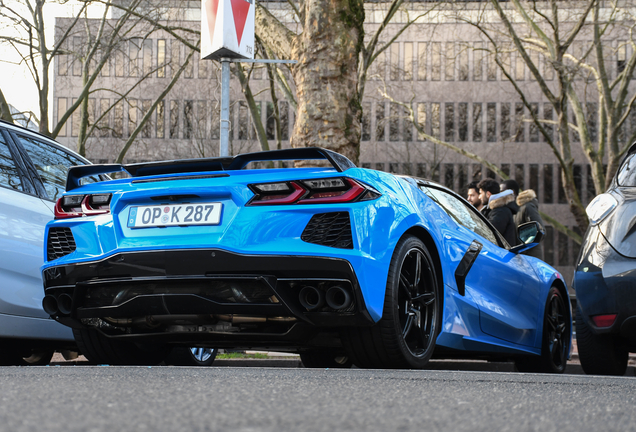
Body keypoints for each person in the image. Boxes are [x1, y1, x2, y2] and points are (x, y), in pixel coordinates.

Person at [500, 179, 544, 260]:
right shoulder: (512, 210)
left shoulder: (527, 207)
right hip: (520, 257)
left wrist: (525, 246)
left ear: (512, 192)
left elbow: (541, 230)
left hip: (530, 258)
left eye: (503, 191)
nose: (500, 194)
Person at [477, 178, 519, 246]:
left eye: (480, 193)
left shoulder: (500, 211)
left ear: (488, 194)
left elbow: (489, 234)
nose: (479, 197)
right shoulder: (496, 210)